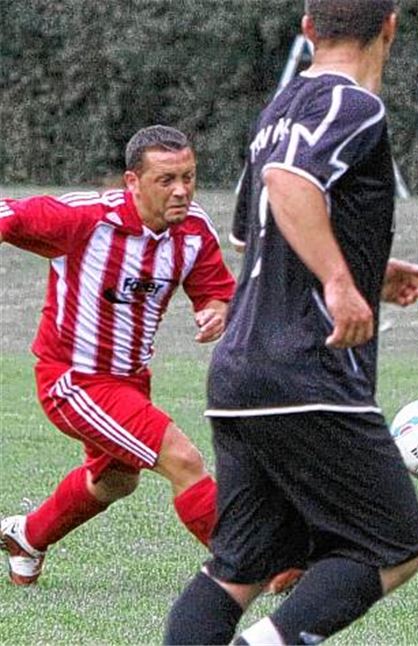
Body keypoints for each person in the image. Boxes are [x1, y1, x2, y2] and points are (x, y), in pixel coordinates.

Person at [164, 1, 418, 644]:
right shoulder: (352, 104)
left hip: (241, 373)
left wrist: (366, 269)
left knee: (238, 569)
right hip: (307, 371)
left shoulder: (277, 111)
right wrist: (339, 282)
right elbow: (289, 184)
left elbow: (249, 233)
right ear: (390, 28)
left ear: (308, 28)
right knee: (390, 546)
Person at [0, 125, 233, 586]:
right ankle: (252, 562)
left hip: (130, 380)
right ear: (133, 182)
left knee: (116, 480)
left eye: (188, 177)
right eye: (166, 180)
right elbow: (8, 213)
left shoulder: (193, 229)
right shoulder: (86, 219)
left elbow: (215, 290)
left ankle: (27, 535)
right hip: (73, 380)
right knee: (183, 460)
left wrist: (216, 310)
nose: (181, 190)